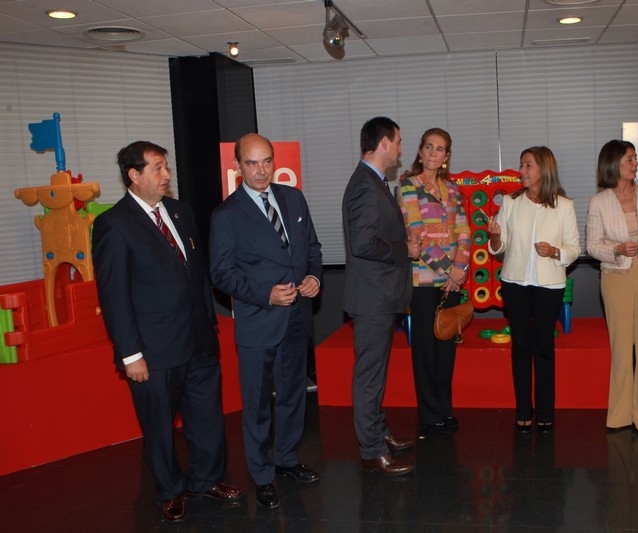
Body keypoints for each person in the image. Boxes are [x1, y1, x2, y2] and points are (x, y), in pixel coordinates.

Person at [92, 141, 243, 523]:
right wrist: (131, 355)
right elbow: (114, 296)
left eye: (166, 167)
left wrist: (209, 324)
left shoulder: (180, 211)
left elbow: (196, 274)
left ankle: (206, 480)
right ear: (134, 175)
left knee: (207, 418)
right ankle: (170, 491)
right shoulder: (113, 224)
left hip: (198, 342)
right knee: (159, 427)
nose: (166, 175)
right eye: (157, 168)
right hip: (154, 350)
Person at [209, 133, 323, 508]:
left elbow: (312, 248)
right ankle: (262, 475)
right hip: (258, 321)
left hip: (297, 317)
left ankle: (287, 458)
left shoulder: (293, 198)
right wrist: (265, 294)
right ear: (237, 166)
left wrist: (314, 277)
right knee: (257, 405)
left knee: (293, 395)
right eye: (252, 163)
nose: (261, 170)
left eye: (267, 161)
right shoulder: (226, 215)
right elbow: (221, 274)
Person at [342, 116, 420, 476]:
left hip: (379, 297)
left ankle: (379, 433)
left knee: (375, 375)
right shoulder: (364, 185)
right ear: (384, 143)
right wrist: (405, 249)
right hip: (372, 299)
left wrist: (403, 242)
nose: (402, 150)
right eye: (399, 141)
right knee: (369, 377)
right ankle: (371, 450)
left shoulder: (374, 181)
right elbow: (363, 244)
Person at [487, 146, 580, 433]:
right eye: (521, 165)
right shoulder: (511, 202)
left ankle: (545, 412)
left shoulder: (564, 205)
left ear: (544, 169)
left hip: (549, 285)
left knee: (543, 348)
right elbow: (498, 248)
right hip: (514, 284)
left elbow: (574, 248)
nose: (522, 171)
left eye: (528, 165)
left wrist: (555, 252)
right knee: (520, 347)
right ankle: (523, 411)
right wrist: (494, 237)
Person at [585, 139, 638, 434]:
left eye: (635, 159)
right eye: (630, 159)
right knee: (621, 347)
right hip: (616, 278)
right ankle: (619, 415)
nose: (636, 164)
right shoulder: (599, 202)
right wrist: (617, 249)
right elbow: (592, 245)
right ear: (613, 164)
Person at [396, 128, 471, 436]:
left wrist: (460, 267)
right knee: (426, 350)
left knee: (446, 349)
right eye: (428, 146)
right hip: (423, 281)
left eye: (439, 149)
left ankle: (444, 409)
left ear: (446, 156)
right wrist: (449, 270)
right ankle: (429, 415)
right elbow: (417, 234)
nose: (432, 153)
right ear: (420, 151)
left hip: (451, 282)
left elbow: (464, 231)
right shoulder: (408, 186)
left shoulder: (452, 189)